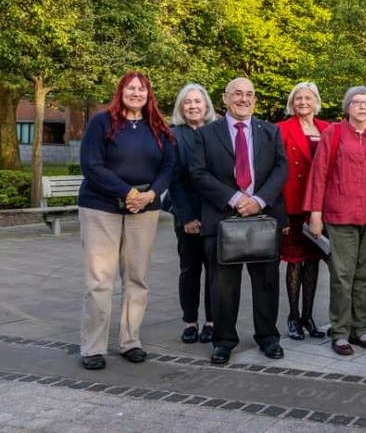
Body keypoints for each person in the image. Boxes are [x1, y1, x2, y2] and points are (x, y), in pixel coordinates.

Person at [77, 72, 176, 370]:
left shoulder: (158, 127)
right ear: (121, 92)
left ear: (149, 95)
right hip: (101, 207)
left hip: (143, 210)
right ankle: (93, 347)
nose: (136, 93)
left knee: (136, 278)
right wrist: (128, 191)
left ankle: (130, 341)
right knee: (100, 279)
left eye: (142, 89)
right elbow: (91, 165)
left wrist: (152, 194)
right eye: (131, 88)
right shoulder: (101, 122)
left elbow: (169, 165)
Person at [189, 77, 289, 366]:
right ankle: (223, 341)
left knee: (267, 282)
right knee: (222, 286)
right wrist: (234, 198)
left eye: (249, 95)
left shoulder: (270, 132)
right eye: (237, 94)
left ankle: (268, 337)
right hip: (222, 219)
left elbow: (281, 169)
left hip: (262, 218)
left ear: (255, 100)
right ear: (225, 98)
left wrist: (258, 200)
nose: (243, 99)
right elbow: (197, 172)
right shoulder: (207, 134)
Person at [305, 86, 366, 356]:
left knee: (364, 276)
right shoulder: (334, 133)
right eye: (357, 102)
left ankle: (360, 329)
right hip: (340, 214)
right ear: (347, 106)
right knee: (342, 275)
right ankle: (340, 331)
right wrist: (315, 215)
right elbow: (318, 176)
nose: (362, 107)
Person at [276, 82, 330, 341]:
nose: (303, 102)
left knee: (313, 261)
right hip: (294, 205)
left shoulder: (328, 128)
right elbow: (276, 171)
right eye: (298, 98)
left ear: (316, 100)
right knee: (295, 262)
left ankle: (308, 316)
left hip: (320, 207)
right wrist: (281, 212)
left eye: (308, 97)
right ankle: (293, 316)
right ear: (292, 102)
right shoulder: (282, 129)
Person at [168, 83, 217, 346]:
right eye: (188, 102)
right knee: (189, 270)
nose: (193, 106)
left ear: (207, 105)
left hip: (215, 213)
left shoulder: (217, 132)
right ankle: (190, 322)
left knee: (215, 271)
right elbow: (173, 180)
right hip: (186, 213)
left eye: (198, 101)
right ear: (181, 107)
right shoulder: (174, 135)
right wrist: (186, 217)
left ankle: (212, 321)